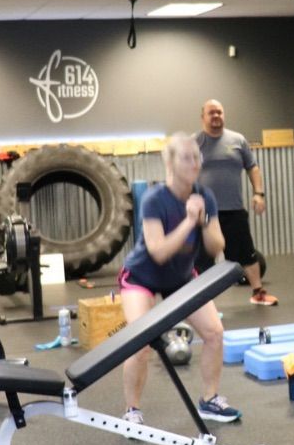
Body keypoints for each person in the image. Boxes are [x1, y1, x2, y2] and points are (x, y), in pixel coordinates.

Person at [119, 133, 240, 426]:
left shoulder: (204, 196)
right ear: (170, 162)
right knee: (140, 343)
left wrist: (203, 221)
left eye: (197, 157)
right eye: (186, 158)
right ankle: (132, 410)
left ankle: (209, 400)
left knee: (214, 332)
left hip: (181, 277)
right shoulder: (154, 199)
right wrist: (188, 221)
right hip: (142, 277)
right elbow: (158, 252)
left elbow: (216, 247)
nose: (195, 163)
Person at [195, 98, 277, 306]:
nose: (216, 116)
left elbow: (253, 167)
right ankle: (204, 303)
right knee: (202, 261)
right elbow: (183, 174)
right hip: (205, 213)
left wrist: (259, 194)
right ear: (202, 117)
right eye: (211, 113)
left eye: (219, 112)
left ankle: (258, 293)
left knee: (246, 253)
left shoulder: (237, 140)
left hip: (234, 210)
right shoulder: (194, 143)